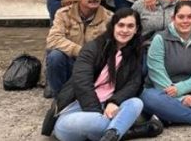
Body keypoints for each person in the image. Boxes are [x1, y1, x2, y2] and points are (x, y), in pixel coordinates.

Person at [46, 8, 157, 141]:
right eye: (121, 25)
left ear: (136, 29)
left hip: (108, 107)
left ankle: (112, 136)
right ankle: (128, 130)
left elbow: (133, 84)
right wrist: (97, 112)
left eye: (130, 26)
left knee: (136, 103)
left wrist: (114, 102)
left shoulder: (136, 53)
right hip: (76, 109)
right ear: (113, 26)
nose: (125, 30)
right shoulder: (93, 47)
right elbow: (82, 82)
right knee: (100, 122)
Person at [45, 0, 112, 97]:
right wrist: (80, 51)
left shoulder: (109, 18)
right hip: (70, 63)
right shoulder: (63, 14)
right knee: (54, 56)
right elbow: (52, 40)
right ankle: (60, 98)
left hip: (93, 67)